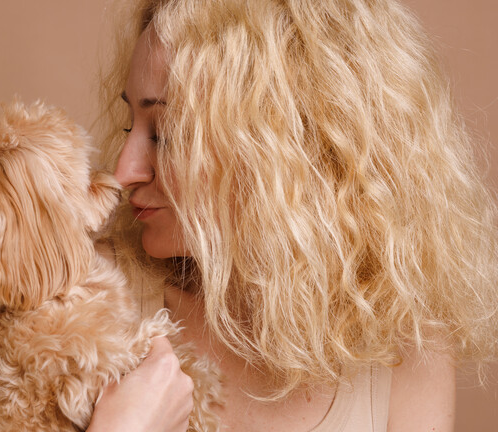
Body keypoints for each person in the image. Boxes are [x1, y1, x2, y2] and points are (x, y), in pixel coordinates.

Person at [86, 0, 498, 431]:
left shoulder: (409, 347)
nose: (122, 172)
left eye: (167, 134)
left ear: (287, 151)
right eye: (130, 127)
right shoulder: (92, 297)